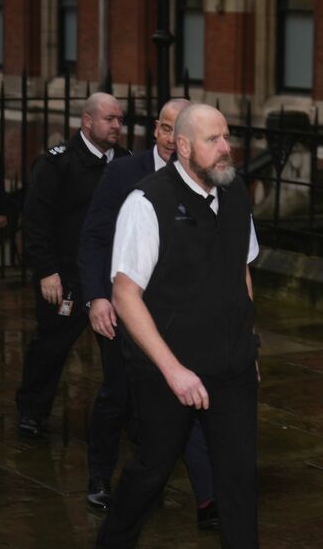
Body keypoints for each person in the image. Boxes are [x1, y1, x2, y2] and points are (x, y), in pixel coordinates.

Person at [96, 104, 260, 548]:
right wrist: (174, 371)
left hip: (232, 365)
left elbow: (242, 270)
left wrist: (247, 344)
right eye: (213, 140)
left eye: (226, 137)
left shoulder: (235, 191)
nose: (225, 148)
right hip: (166, 368)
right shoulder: (148, 201)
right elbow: (125, 295)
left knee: (240, 477)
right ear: (183, 147)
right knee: (152, 470)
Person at [78, 98, 219, 528]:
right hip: (125, 309)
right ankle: (102, 477)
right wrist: (97, 297)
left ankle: (206, 500)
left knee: (185, 402)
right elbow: (94, 236)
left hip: (179, 316)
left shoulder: (205, 179)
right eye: (166, 129)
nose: (173, 139)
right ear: (157, 130)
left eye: (181, 131)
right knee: (119, 396)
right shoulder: (124, 173)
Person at [17, 92, 130, 438]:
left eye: (120, 119)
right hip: (66, 277)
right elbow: (36, 221)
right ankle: (32, 411)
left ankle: (126, 416)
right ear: (87, 121)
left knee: (120, 351)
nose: (117, 126)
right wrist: (46, 271)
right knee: (51, 346)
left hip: (110, 278)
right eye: (109, 119)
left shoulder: (125, 162)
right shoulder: (56, 163)